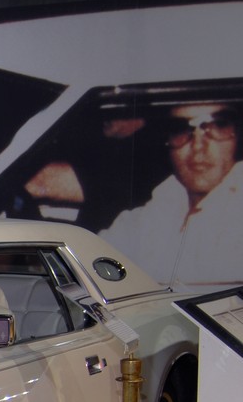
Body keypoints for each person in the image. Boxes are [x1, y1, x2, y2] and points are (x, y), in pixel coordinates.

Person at [101, 102, 243, 292]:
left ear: (238, 135)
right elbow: (95, 262)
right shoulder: (159, 207)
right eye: (181, 129)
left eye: (218, 126)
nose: (198, 147)